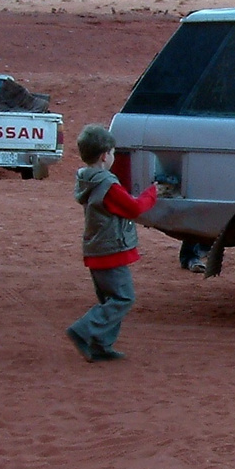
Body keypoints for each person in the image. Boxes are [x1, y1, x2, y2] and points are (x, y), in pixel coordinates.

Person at [66, 124, 162, 363]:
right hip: (111, 251)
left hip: (97, 249)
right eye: (112, 152)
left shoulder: (87, 180)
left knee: (109, 299)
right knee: (123, 298)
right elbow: (135, 208)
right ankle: (84, 330)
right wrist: (153, 192)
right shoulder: (107, 185)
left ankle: (101, 345)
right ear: (104, 155)